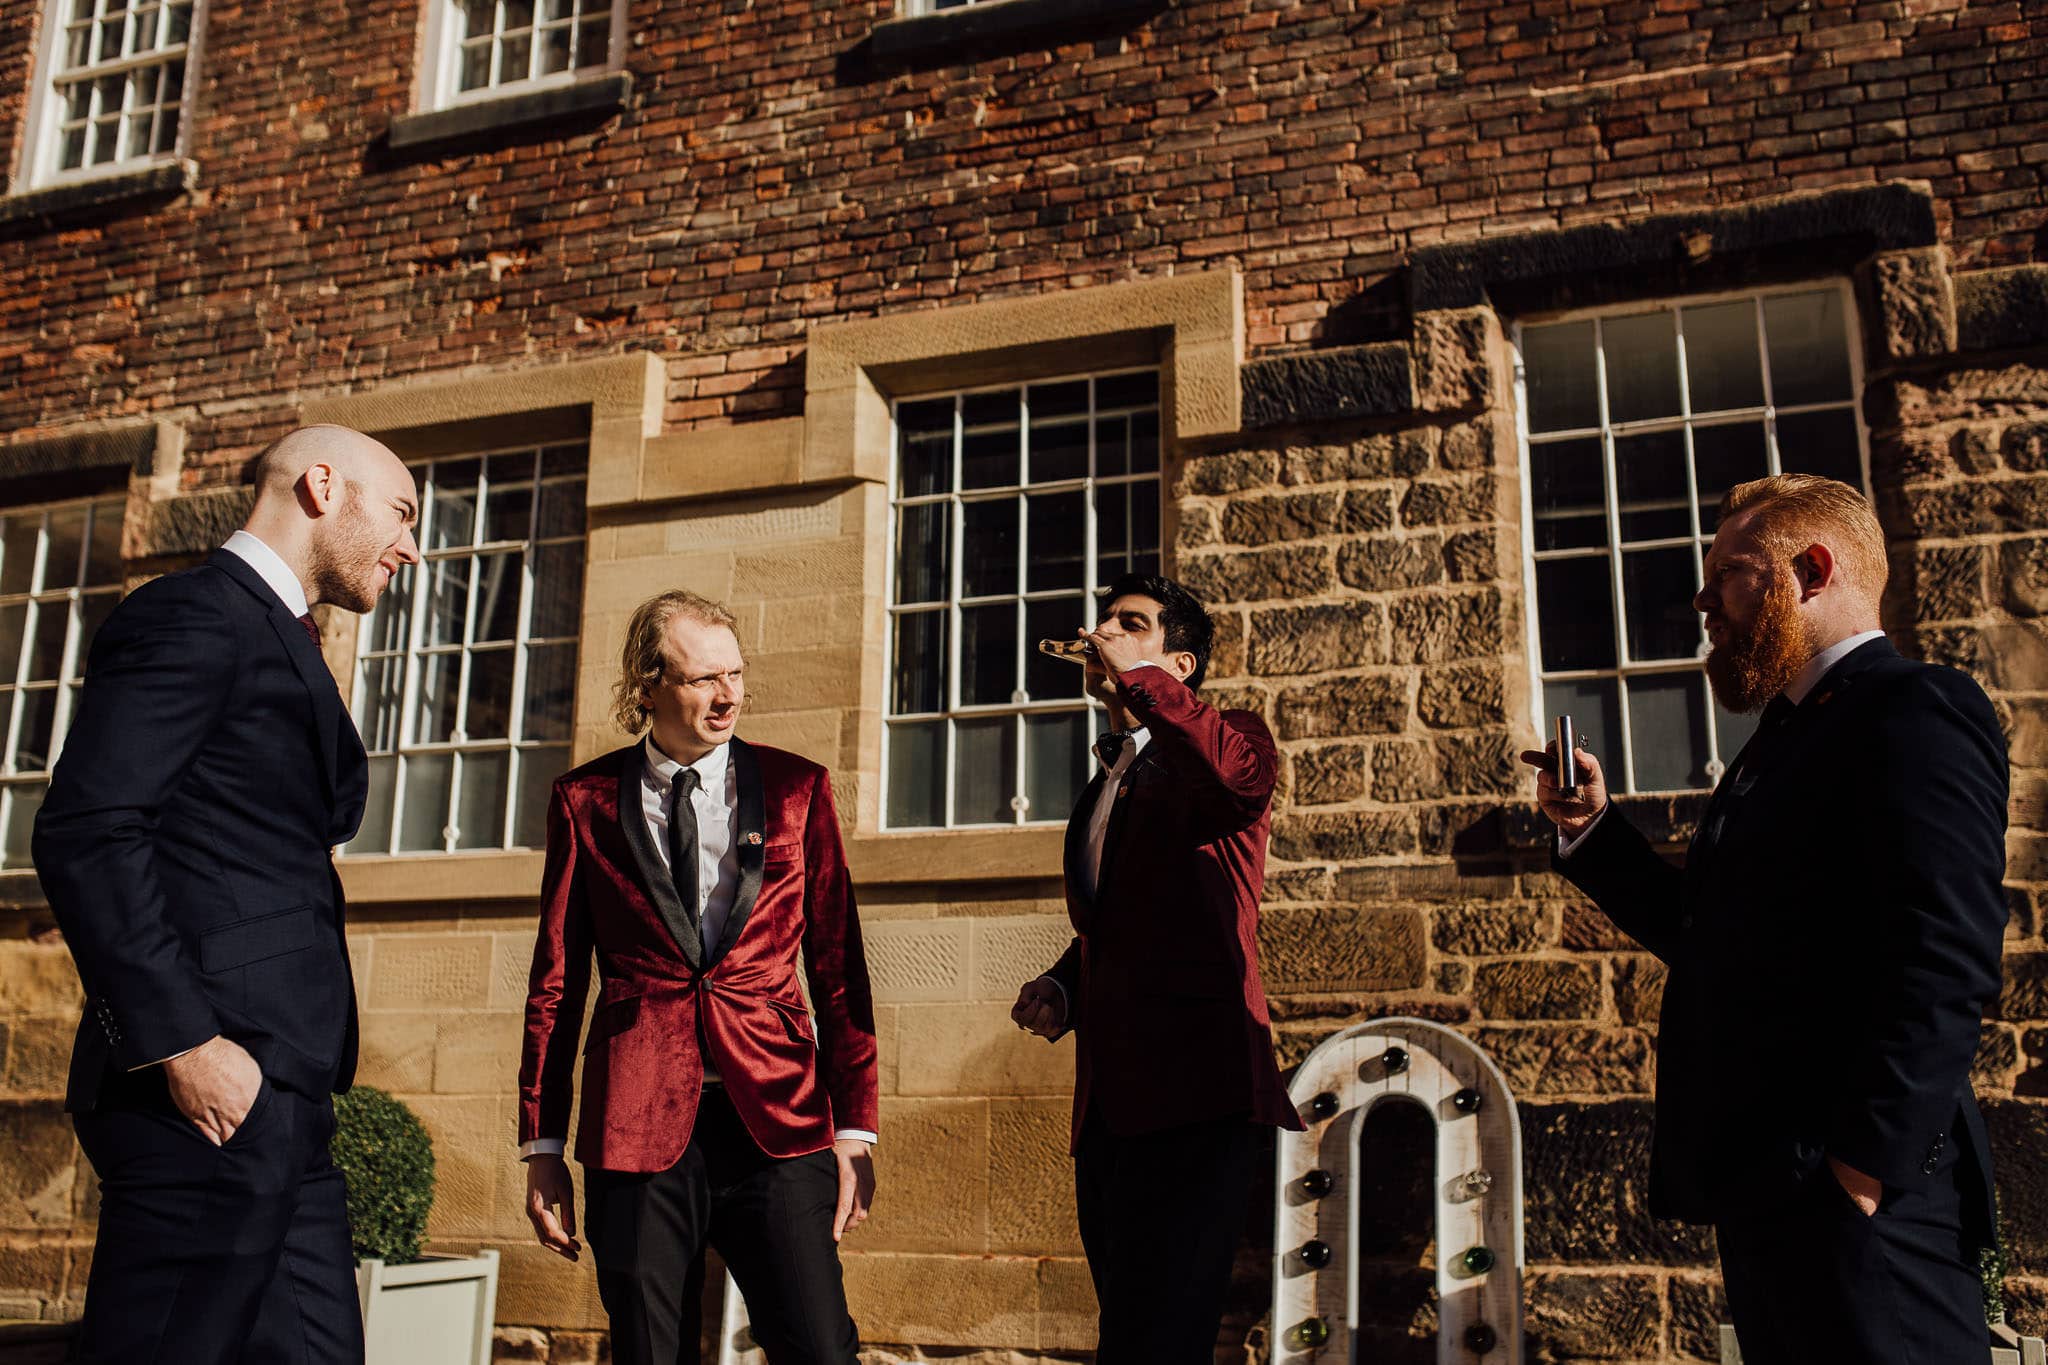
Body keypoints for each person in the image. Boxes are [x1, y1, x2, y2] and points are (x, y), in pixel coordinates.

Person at [1523, 474, 2008, 1365]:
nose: (1702, 598)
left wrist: (1861, 1174)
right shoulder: (1782, 739)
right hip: (1773, 1188)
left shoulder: (1912, 708)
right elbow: (1711, 932)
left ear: (1813, 569)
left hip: (1867, 1202)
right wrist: (1591, 829)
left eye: (1730, 573)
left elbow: (1945, 957)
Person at [33, 425, 421, 1364]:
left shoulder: (281, 634)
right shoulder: (196, 613)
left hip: (289, 1102)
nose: (413, 547)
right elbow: (89, 828)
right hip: (209, 1096)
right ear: (323, 486)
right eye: (404, 514)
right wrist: (184, 1042)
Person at [518, 589, 879, 1365]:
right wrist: (543, 1144)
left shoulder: (797, 788)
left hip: (778, 1122)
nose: (728, 695)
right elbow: (555, 982)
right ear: (647, 684)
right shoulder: (583, 801)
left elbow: (839, 966)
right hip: (636, 1122)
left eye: (736, 674)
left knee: (820, 1347)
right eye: (703, 678)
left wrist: (854, 1127)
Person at [1010, 573, 1302, 1364]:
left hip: (1198, 1102)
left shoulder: (1229, 739)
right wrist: (1065, 984)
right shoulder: (1106, 781)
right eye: (1104, 619)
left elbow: (1241, 782)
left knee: (1164, 1344)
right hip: (1109, 1109)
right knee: (1126, 1339)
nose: (1102, 630)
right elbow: (1122, 921)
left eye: (1130, 623)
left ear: (1181, 665)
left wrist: (1140, 684)